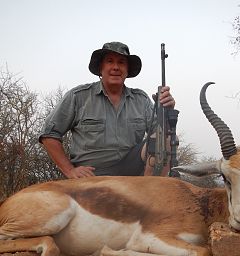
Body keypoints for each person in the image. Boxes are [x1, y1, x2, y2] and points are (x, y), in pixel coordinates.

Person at [39, 41, 176, 179]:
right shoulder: (77, 96)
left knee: (165, 138)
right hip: (92, 173)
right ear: (100, 68)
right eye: (110, 61)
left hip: (132, 170)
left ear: (127, 70)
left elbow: (160, 136)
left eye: (121, 62)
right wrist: (70, 170)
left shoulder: (141, 99)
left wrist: (166, 112)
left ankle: (150, 192)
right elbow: (49, 134)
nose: (116, 67)